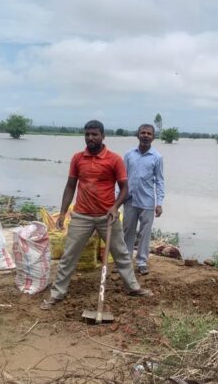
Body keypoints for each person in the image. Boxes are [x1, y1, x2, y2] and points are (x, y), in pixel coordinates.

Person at [41, 120, 152, 310]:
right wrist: (62, 213)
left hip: (106, 216)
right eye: (87, 134)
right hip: (81, 216)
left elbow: (125, 189)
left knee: (122, 254)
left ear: (103, 136)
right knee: (69, 256)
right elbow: (70, 186)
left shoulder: (114, 159)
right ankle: (57, 293)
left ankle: (133, 287)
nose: (90, 138)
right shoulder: (77, 158)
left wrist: (115, 207)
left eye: (94, 134)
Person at [123, 124, 165, 275]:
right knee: (127, 231)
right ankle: (126, 261)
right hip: (129, 200)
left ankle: (141, 262)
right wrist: (117, 198)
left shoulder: (157, 157)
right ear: (138, 135)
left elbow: (160, 181)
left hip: (147, 201)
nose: (146, 135)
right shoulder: (129, 155)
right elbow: (122, 178)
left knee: (144, 233)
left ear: (153, 137)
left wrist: (159, 203)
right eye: (143, 132)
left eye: (149, 133)